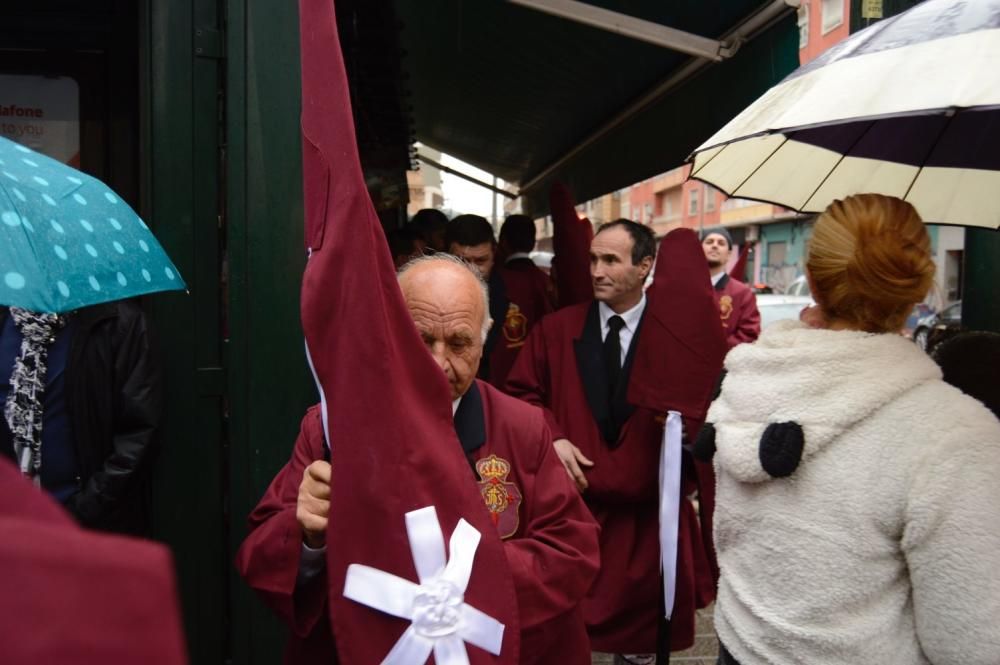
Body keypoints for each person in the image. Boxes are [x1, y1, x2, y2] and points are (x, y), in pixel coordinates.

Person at [236, 254, 601, 665]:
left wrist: (455, 576)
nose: (437, 363)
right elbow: (262, 554)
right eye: (420, 339)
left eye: (459, 343)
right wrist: (309, 537)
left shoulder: (523, 428)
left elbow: (571, 553)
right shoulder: (328, 429)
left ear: (485, 341)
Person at [701, 194, 1000, 665]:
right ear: (918, 286)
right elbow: (972, 641)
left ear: (814, 279)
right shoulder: (954, 434)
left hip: (741, 644)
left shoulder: (746, 383)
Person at [506, 220, 708, 662]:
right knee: (561, 637)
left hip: (648, 525)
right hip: (574, 519)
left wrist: (685, 430)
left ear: (644, 267)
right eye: (593, 259)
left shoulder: (677, 336)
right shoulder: (556, 331)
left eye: (611, 260)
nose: (596, 270)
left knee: (642, 647)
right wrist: (550, 437)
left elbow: (708, 410)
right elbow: (520, 395)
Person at [0, 300, 161, 535]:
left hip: (83, 525)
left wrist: (84, 510)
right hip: (9, 524)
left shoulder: (116, 322)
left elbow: (138, 434)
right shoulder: (5, 319)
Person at [488, 214, 556, 390]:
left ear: (502, 241)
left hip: (499, 379)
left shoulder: (495, 282)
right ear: (533, 243)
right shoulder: (546, 282)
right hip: (539, 378)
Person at [445, 214, 508, 382]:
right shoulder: (426, 299)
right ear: (446, 258)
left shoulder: (514, 295)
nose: (472, 270)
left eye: (480, 261)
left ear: (494, 256)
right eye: (462, 260)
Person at [701, 228, 759, 348]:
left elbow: (749, 333)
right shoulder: (684, 289)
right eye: (709, 242)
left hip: (723, 364)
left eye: (721, 243)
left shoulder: (743, 293)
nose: (715, 245)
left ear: (728, 255)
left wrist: (716, 350)